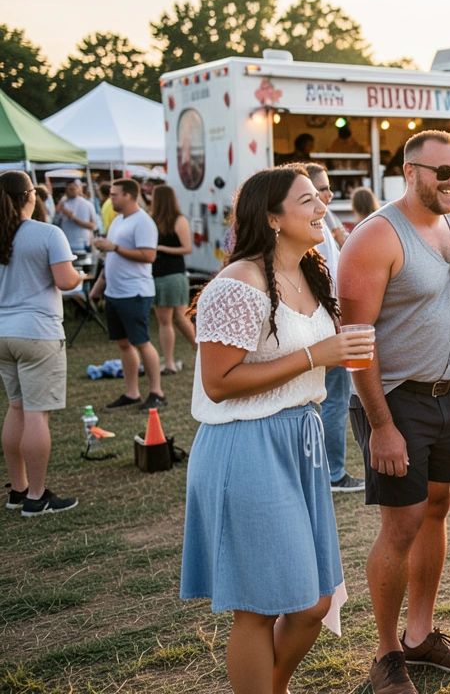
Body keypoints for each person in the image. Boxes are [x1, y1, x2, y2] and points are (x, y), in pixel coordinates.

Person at [181, 165, 374, 694]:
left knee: (313, 601)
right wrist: (317, 354)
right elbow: (218, 382)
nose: (322, 208)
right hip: (246, 446)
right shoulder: (238, 284)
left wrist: (332, 358)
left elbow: (305, 359)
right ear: (272, 217)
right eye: (308, 200)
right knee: (258, 609)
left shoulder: (312, 271)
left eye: (322, 198)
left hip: (299, 442)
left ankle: (272, 685)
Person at [339, 130, 450, 693]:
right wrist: (381, 425)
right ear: (409, 171)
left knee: (438, 507)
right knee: (401, 523)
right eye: (440, 171)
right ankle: (387, 655)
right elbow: (355, 336)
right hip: (395, 401)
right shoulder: (375, 236)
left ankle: (421, 637)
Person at [0, 171, 82, 517]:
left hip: (3, 331)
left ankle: (17, 490)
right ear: (28, 196)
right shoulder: (48, 233)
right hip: (37, 331)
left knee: (16, 408)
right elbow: (65, 281)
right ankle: (37, 497)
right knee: (36, 414)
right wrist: (80, 275)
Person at [304, 163, 364, 494]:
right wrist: (340, 322)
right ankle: (334, 473)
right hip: (329, 323)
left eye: (327, 188)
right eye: (321, 189)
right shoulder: (318, 228)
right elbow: (326, 279)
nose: (328, 194)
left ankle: (323, 471)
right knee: (335, 399)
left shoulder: (323, 224)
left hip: (324, 321)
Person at [90, 179, 165, 412]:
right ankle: (132, 393)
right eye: (110, 194)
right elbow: (111, 259)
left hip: (135, 292)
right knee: (124, 344)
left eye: (115, 195)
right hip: (115, 292)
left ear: (129, 196)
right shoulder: (118, 221)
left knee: (141, 342)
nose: (110, 198)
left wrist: (115, 248)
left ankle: (157, 393)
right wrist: (100, 284)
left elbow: (149, 255)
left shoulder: (143, 222)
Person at [150, 186, 196, 376]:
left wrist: (161, 248)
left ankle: (201, 350)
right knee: (164, 320)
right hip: (157, 274)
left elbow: (187, 248)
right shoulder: (151, 220)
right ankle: (169, 363)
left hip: (174, 273)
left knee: (180, 317)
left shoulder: (179, 220)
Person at [52, 180, 98, 254]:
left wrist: (72, 217)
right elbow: (55, 223)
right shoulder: (63, 204)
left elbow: (92, 226)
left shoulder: (88, 205)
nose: (69, 191)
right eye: (67, 189)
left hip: (82, 244)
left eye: (72, 189)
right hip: (66, 244)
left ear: (79, 189)